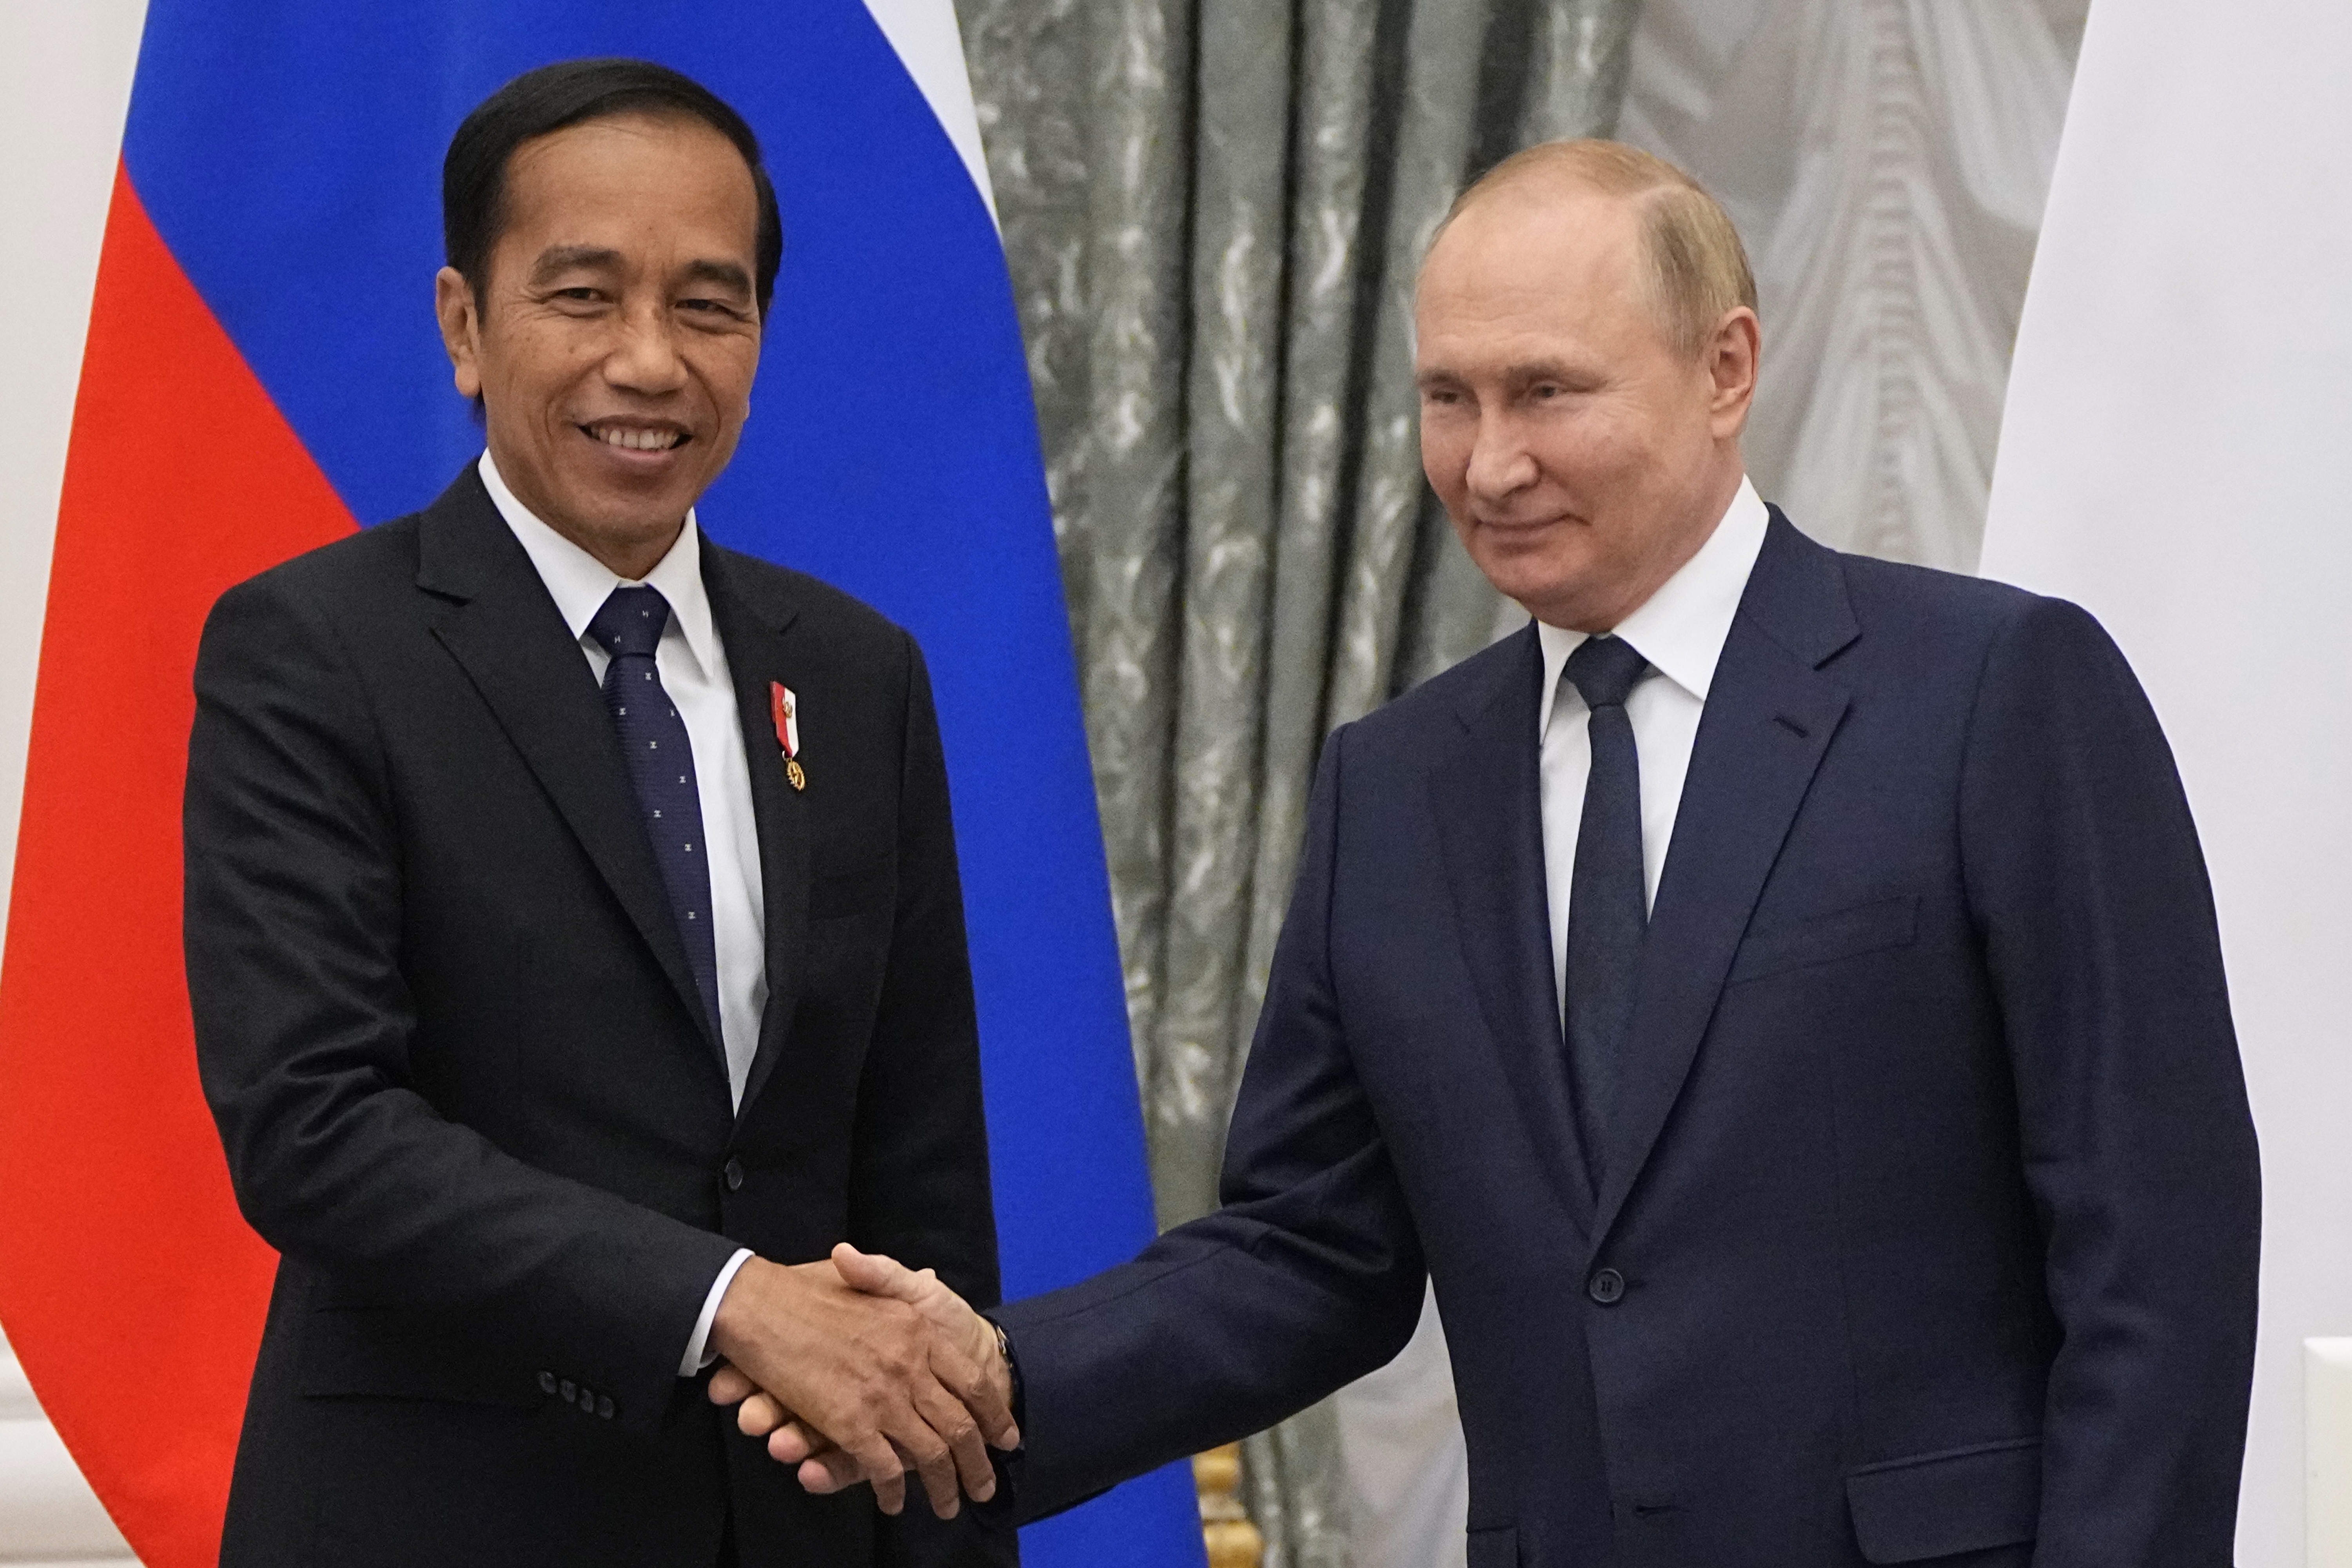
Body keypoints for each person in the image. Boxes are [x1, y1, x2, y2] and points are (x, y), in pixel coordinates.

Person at [724, 141, 2263, 1566]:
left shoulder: (1993, 693)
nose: (1488, 461)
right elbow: (1308, 1252)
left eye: (1547, 391)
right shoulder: (1392, 787)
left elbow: (2156, 1258)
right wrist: (990, 1376)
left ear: (1724, 368)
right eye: (1447, 398)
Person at [183, 58, 1018, 1568]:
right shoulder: (313, 651)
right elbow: (316, 1128)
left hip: (803, 1530)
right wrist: (730, 1305)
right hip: (443, 1519)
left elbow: (918, 1167)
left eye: (710, 304)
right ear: (463, 326)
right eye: (583, 296)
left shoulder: (855, 671)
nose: (651, 361)